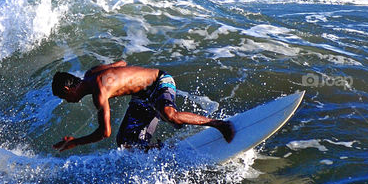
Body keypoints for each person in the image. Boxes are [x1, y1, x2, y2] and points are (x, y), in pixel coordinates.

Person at [50, 60, 234, 151]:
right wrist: (126, 80)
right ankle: (164, 150)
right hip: (142, 95)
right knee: (126, 143)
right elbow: (122, 63)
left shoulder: (99, 92)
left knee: (169, 114)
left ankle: (219, 124)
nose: (66, 101)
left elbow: (104, 133)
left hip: (159, 81)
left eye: (64, 97)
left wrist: (75, 142)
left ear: (67, 89)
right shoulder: (91, 73)